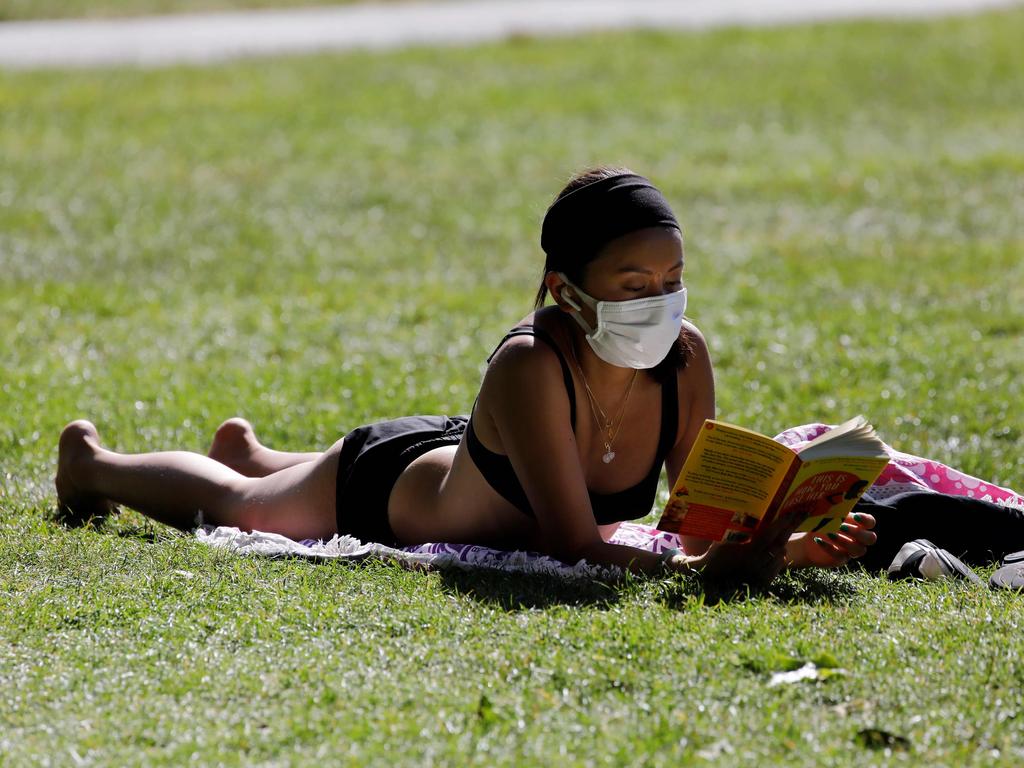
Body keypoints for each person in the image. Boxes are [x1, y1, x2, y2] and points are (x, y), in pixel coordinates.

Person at [54, 167, 877, 582]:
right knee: (246, 513)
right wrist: (706, 573)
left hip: (473, 457)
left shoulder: (684, 356)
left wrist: (782, 546)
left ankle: (257, 451)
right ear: (566, 289)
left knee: (267, 486)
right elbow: (572, 545)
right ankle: (92, 465)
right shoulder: (530, 363)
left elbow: (696, 523)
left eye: (672, 280)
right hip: (388, 490)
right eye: (634, 286)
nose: (661, 303)